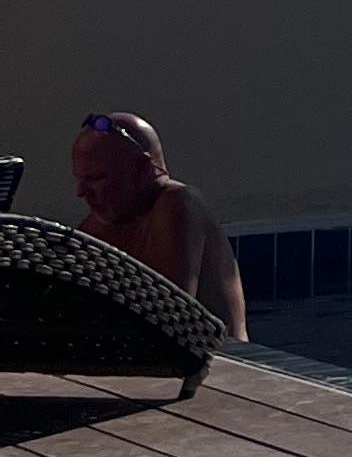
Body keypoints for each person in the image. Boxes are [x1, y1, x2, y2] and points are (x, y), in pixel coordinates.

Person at [70, 111, 248, 349]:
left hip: (222, 368)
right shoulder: (100, 223)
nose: (81, 192)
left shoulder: (178, 205)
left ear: (144, 169)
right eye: (80, 179)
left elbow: (167, 317)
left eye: (96, 178)